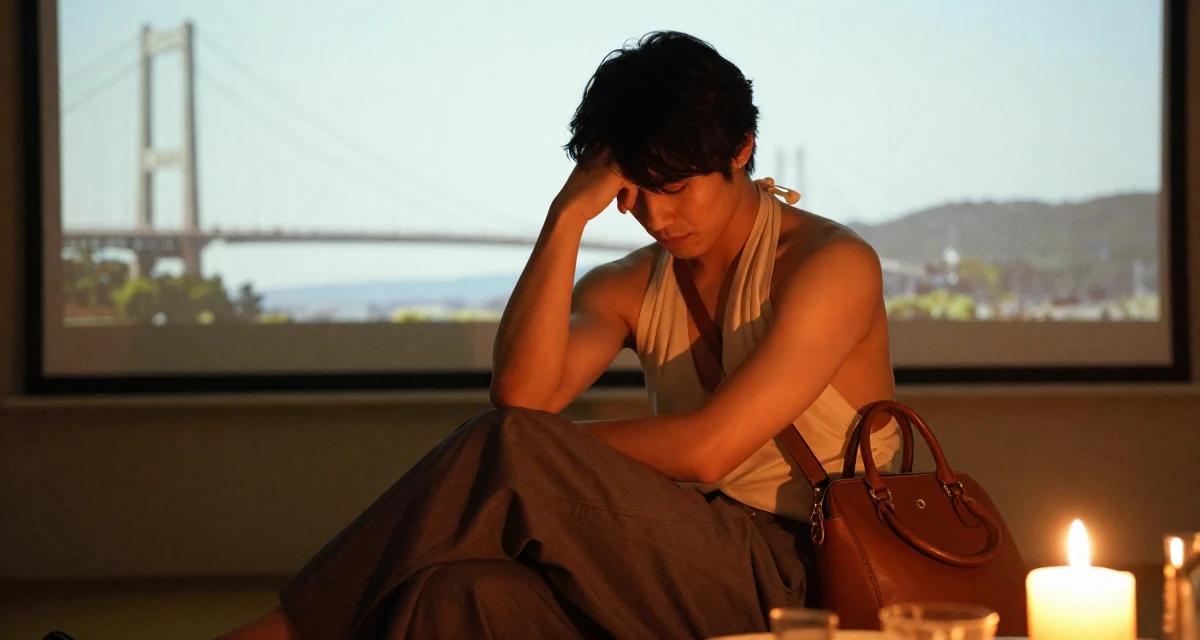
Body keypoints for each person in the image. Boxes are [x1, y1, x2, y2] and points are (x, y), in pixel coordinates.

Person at [220, 30, 899, 640]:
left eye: (676, 187)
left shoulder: (829, 265)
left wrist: (535, 454)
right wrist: (566, 217)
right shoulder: (628, 285)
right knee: (453, 597)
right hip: (685, 555)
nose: (655, 215)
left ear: (741, 150)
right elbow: (523, 393)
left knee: (511, 446)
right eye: (631, 192)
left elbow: (708, 451)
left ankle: (290, 633)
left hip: (810, 573)